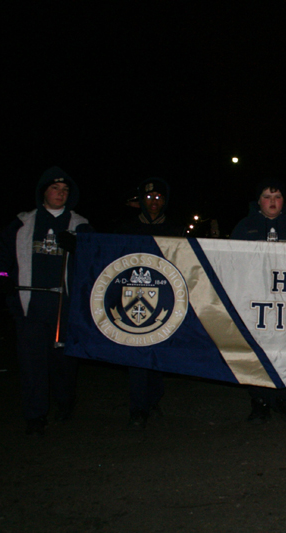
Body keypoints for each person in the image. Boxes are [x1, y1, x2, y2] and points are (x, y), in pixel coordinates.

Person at [0, 166, 93, 435]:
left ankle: (66, 402)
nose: (60, 193)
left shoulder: (80, 225)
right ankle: (35, 415)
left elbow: (97, 263)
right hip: (30, 307)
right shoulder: (23, 224)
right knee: (32, 365)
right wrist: (1, 277)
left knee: (63, 365)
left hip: (65, 309)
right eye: (55, 189)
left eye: (65, 189)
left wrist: (81, 246)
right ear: (43, 192)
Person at [231, 178, 286, 423]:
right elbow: (231, 263)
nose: (272, 202)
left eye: (277, 197)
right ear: (258, 201)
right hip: (255, 304)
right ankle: (260, 400)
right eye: (267, 196)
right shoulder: (244, 227)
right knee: (258, 353)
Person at [116, 178, 184, 429]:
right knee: (137, 352)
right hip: (133, 300)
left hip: (165, 300)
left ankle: (153, 399)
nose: (154, 203)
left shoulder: (175, 230)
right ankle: (138, 408)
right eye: (149, 198)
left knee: (157, 354)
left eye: (159, 198)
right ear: (141, 200)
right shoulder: (127, 228)